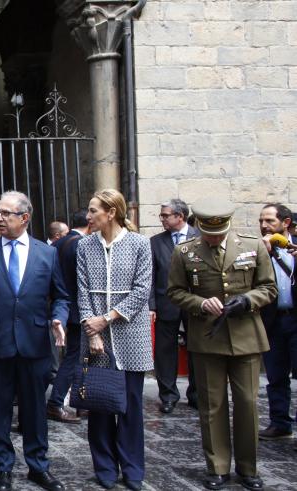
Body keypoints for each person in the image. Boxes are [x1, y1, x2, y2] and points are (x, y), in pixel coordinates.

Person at [167, 200, 276, 491]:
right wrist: (200, 303)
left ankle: (248, 468)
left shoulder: (252, 246)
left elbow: (269, 287)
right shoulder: (185, 251)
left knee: (248, 405)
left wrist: (248, 300)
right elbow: (175, 292)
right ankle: (217, 467)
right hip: (207, 338)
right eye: (208, 234)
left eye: (219, 234)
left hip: (246, 337)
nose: (213, 239)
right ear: (200, 227)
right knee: (212, 406)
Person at [0, 191, 68, 491]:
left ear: (24, 218)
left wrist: (58, 318)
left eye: (6, 213)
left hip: (35, 344)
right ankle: (4, 468)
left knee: (35, 408)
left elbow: (61, 295)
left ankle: (38, 466)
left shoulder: (46, 253)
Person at [76, 190, 153, 490]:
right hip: (95, 336)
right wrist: (91, 330)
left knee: (131, 406)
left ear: (111, 213)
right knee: (101, 404)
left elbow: (142, 289)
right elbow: (82, 290)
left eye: (94, 210)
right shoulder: (85, 246)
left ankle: (133, 468)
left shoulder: (139, 244)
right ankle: (105, 467)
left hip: (130, 335)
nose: (88, 215)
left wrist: (107, 319)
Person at [151, 198, 200, 414]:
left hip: (196, 304)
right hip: (166, 303)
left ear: (180, 216)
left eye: (165, 215)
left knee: (197, 349)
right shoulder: (155, 242)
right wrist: (151, 305)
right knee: (164, 351)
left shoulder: (200, 237)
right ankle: (168, 395)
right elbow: (150, 277)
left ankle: (197, 394)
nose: (162, 219)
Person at [46, 209, 94, 424]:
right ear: (89, 224)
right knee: (75, 357)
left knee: (76, 356)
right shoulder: (82, 244)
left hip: (61, 308)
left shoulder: (56, 243)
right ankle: (56, 403)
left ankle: (81, 403)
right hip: (78, 309)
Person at [257, 203, 297, 441]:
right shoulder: (258, 248)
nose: (264, 226)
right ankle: (279, 421)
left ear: (286, 223)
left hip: (295, 318)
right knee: (275, 374)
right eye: (261, 220)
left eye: (270, 221)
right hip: (272, 320)